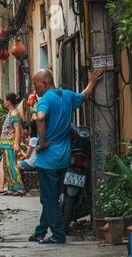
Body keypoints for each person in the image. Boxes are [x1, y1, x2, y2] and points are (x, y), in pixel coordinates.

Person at [29, 68, 104, 244]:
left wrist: (42, 141)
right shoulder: (67, 95)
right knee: (52, 197)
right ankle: (40, 232)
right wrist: (91, 82)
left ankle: (58, 234)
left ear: (44, 83)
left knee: (49, 199)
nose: (34, 89)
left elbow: (40, 118)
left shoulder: (45, 99)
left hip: (48, 158)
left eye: (35, 84)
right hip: (64, 156)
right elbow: (84, 95)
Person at [0, 92, 25, 196]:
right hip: (5, 144)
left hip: (10, 144)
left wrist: (16, 144)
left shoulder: (14, 113)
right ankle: (12, 187)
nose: (4, 102)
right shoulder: (10, 113)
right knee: (6, 166)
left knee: (11, 165)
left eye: (5, 100)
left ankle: (20, 187)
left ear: (9, 101)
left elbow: (17, 129)